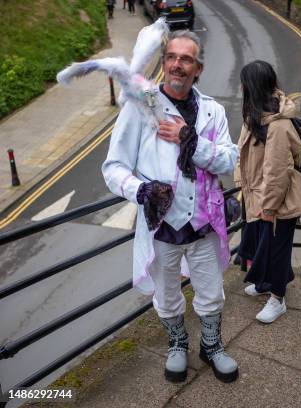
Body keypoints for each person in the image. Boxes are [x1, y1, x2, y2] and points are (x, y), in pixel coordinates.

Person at [102, 31, 239, 384]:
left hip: (205, 223)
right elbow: (113, 167)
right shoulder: (139, 107)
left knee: (211, 292)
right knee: (166, 294)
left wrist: (188, 141)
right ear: (163, 64)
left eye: (186, 59)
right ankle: (177, 343)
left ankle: (211, 345)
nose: (177, 64)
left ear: (198, 69)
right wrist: (141, 190)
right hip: (161, 226)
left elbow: (228, 161)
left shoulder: (214, 111)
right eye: (172, 57)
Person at [235, 60, 301, 324]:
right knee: (260, 246)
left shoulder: (277, 125)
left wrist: (268, 208)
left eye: (244, 83)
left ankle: (278, 299)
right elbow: (243, 155)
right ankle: (266, 284)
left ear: (252, 87)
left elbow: (278, 172)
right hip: (259, 196)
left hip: (278, 202)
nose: (241, 87)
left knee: (277, 250)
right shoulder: (256, 115)